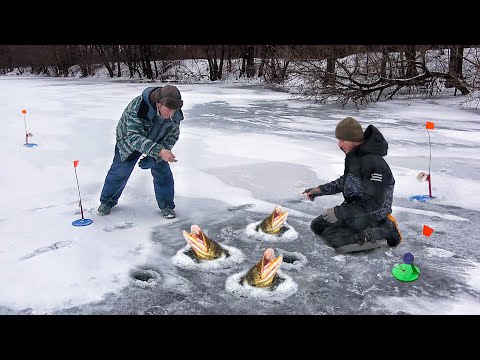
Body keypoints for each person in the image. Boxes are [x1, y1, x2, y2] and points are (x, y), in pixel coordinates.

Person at [302, 117, 402, 254]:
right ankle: (360, 231)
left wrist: (338, 213)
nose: (339, 144)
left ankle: (387, 231)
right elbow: (346, 181)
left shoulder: (374, 163)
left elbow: (374, 203)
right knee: (317, 226)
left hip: (372, 213)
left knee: (338, 242)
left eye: (342, 140)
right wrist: (319, 190)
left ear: (353, 139)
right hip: (353, 210)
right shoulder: (355, 157)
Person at [97, 85, 184, 219]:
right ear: (159, 103)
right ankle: (107, 201)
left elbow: (172, 136)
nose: (171, 114)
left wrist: (157, 156)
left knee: (163, 172)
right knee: (120, 170)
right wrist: (159, 151)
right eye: (168, 110)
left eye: (174, 110)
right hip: (128, 140)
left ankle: (166, 205)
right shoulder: (139, 107)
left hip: (157, 140)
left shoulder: (175, 115)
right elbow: (133, 137)